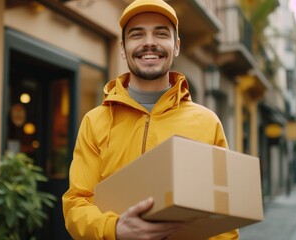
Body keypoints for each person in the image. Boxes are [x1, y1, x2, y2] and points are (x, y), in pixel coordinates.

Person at [62, 0, 239, 239]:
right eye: (137, 34)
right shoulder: (95, 122)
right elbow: (76, 203)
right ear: (123, 48)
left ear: (176, 46)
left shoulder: (207, 123)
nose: (149, 42)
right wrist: (114, 229)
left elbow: (223, 221)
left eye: (160, 33)